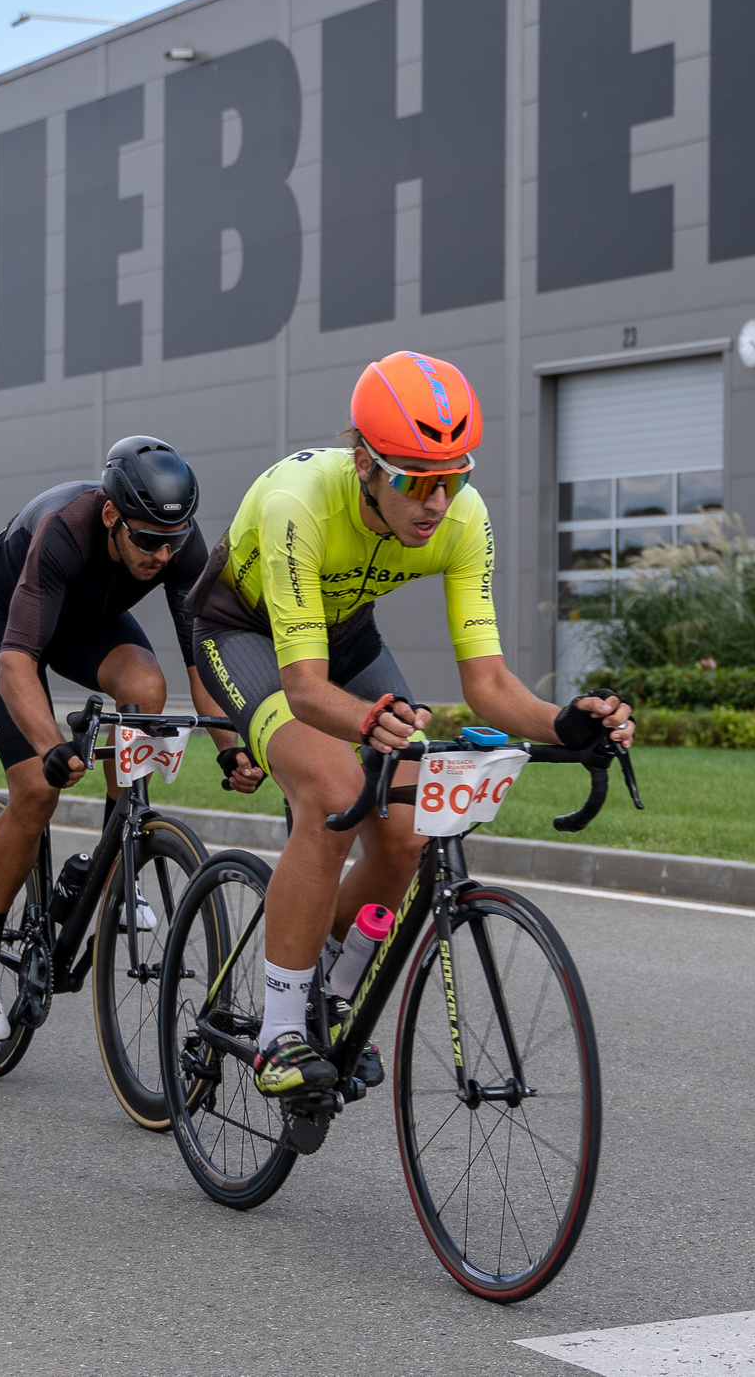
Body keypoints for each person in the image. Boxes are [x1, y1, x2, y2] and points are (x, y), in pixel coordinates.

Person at [186, 352, 634, 1096]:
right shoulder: (300, 500)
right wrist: (368, 718)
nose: (438, 501)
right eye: (418, 481)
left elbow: (488, 684)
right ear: (364, 461)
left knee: (406, 827)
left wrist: (566, 722)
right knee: (331, 793)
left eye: (455, 477)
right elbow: (303, 688)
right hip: (246, 633)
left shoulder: (463, 518)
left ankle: (333, 989)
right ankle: (279, 1033)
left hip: (344, 634)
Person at [0, 436, 264, 1041]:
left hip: (85, 619)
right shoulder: (65, 530)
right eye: (147, 540)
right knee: (36, 794)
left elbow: (204, 665)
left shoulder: (179, 547)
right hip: (9, 620)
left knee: (146, 687)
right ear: (114, 516)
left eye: (173, 541)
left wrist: (231, 745)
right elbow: (17, 662)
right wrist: (49, 748)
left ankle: (108, 862)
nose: (162, 555)